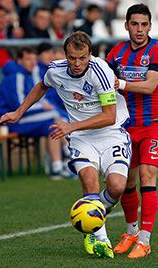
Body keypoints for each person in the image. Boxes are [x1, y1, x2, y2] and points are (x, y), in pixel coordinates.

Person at [0, 32, 131, 259]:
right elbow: (42, 85)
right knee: (89, 180)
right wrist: (19, 112)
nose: (77, 64)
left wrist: (71, 126)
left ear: (90, 54)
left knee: (116, 187)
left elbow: (109, 116)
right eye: (72, 58)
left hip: (110, 133)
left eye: (82, 58)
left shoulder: (102, 72)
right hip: (82, 138)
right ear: (65, 55)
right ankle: (100, 238)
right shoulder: (56, 70)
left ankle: (94, 214)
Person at [106, 3, 158, 259]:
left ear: (150, 26)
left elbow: (150, 87)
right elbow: (103, 84)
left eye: (144, 24)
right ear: (126, 25)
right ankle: (131, 232)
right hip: (125, 128)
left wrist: (121, 82)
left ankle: (146, 240)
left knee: (148, 176)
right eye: (134, 24)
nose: (139, 29)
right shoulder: (116, 53)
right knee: (128, 182)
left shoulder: (156, 49)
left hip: (153, 125)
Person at [0, 47, 67, 180]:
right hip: (8, 121)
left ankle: (57, 167)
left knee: (52, 125)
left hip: (22, 118)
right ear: (19, 61)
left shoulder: (28, 75)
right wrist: (44, 107)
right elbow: (19, 106)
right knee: (55, 117)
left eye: (34, 59)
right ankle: (68, 156)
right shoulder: (16, 76)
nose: (32, 62)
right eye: (28, 59)